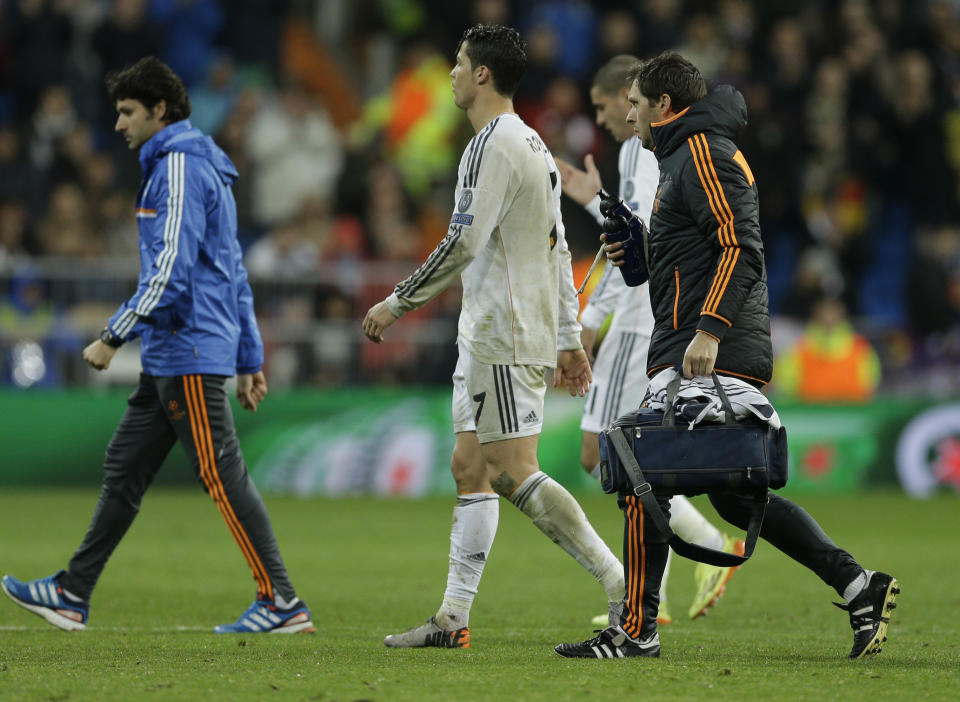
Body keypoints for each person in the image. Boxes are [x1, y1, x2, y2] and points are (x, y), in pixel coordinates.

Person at [555, 52, 899, 660]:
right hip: (693, 345)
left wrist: (709, 330)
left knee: (641, 467)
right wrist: (635, 247)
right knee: (733, 493)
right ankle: (858, 584)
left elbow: (740, 246)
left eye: (636, 102)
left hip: (712, 350)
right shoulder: (681, 158)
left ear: (663, 106)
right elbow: (682, 259)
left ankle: (635, 630)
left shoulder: (705, 153)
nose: (629, 113)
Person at [1, 57, 314, 635]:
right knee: (124, 467)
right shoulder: (202, 167)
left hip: (186, 345)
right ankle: (72, 593)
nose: (118, 124)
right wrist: (249, 358)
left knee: (221, 476)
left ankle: (281, 601)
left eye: (126, 112)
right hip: (180, 349)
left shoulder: (176, 168)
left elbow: (171, 268)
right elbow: (233, 271)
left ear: (159, 111)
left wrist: (113, 333)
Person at [362, 24, 624, 648]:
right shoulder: (532, 143)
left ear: (482, 74)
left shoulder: (490, 145)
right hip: (503, 329)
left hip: (503, 332)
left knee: (510, 471)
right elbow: (559, 250)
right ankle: (452, 621)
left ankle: (623, 583)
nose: (450, 73)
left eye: (457, 63)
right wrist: (567, 336)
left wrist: (398, 301)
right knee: (469, 468)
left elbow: (463, 241)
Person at [556, 54, 744, 625]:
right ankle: (668, 578)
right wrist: (595, 200)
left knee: (614, 457)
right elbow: (637, 227)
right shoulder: (641, 149)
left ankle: (683, 568)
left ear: (627, 96)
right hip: (648, 316)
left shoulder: (646, 147)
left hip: (642, 320)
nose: (604, 117)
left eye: (604, 105)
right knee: (618, 457)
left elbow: (636, 247)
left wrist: (590, 324)